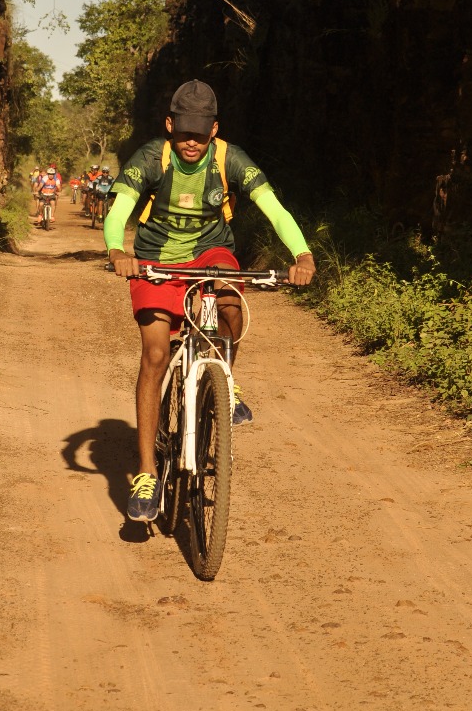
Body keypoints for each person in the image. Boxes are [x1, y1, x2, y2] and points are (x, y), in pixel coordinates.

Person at [104, 80, 315, 522]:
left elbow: (273, 207)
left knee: (231, 295)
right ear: (170, 125)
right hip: (156, 258)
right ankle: (146, 473)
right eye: (184, 132)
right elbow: (119, 208)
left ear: (214, 129)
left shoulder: (229, 158)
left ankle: (224, 375)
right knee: (156, 354)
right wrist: (118, 252)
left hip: (210, 251)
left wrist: (302, 254)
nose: (192, 142)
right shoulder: (151, 158)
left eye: (201, 133)